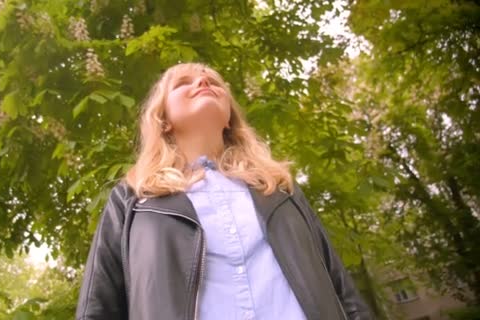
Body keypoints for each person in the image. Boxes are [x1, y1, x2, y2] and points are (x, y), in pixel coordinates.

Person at [75, 62, 373, 320]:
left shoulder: (280, 189)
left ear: (229, 116)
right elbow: (98, 306)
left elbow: (341, 288)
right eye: (183, 83)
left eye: (213, 81)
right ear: (162, 120)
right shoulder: (133, 198)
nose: (203, 82)